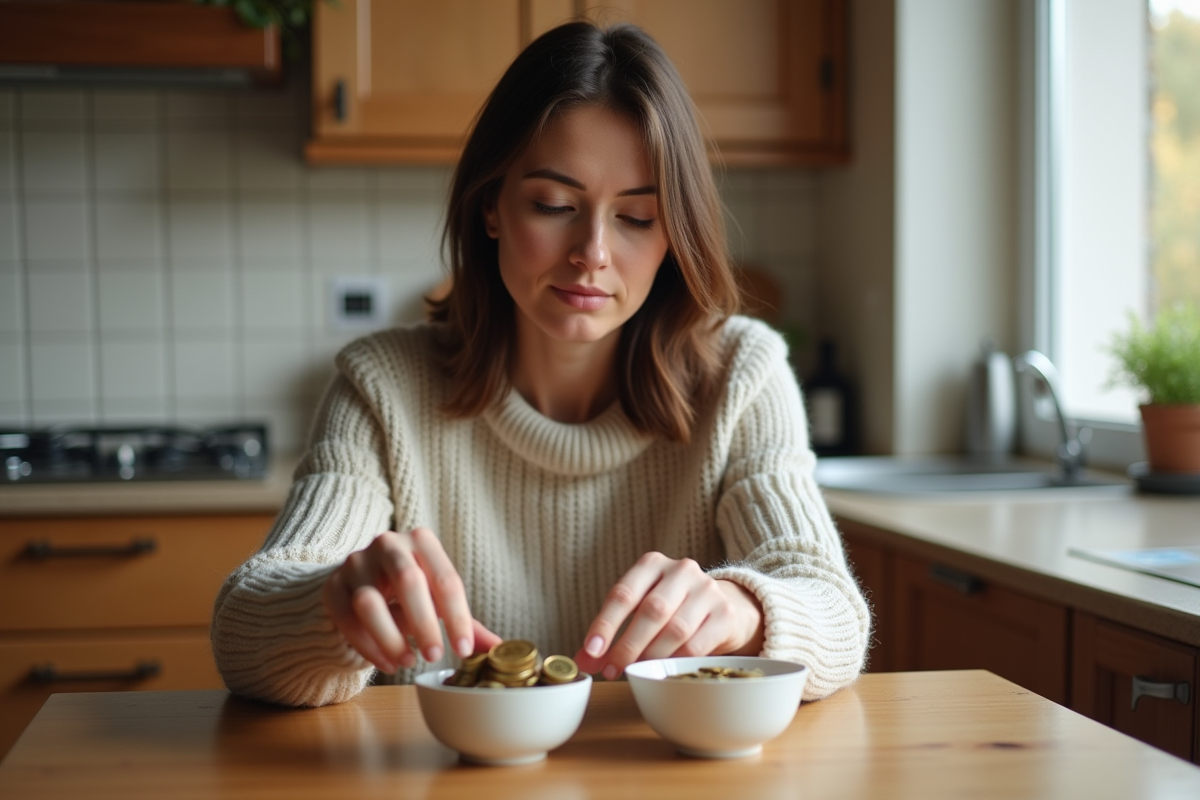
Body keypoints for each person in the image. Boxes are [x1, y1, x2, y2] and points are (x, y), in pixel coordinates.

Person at [211, 20, 869, 708]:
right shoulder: (383, 386)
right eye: (554, 204)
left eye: (637, 218)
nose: (592, 251)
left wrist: (746, 610)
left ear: (674, 235)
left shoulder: (745, 373)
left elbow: (834, 612)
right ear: (492, 204)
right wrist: (331, 605)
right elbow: (243, 632)